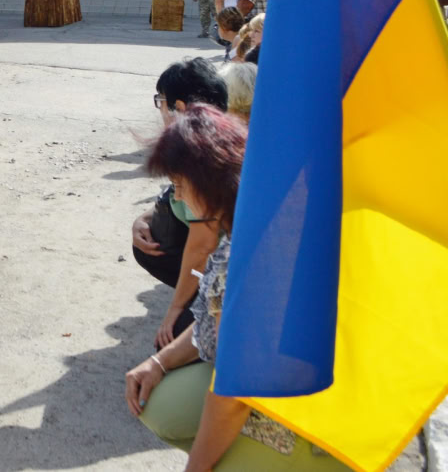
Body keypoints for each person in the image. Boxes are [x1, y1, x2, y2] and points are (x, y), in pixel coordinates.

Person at [126, 106, 346, 470]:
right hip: (306, 388)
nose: (177, 199)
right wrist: (159, 362)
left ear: (207, 179)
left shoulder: (247, 253)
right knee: (160, 399)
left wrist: (196, 468)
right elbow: (220, 319)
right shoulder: (260, 216)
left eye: (180, 186)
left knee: (195, 430)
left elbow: (235, 393)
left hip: (301, 422)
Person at [130, 58, 227, 347]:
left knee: (170, 340)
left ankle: (194, 303)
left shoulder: (199, 154)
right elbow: (177, 200)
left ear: (180, 107)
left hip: (239, 281)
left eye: (161, 100)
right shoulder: (225, 131)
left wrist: (174, 310)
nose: (160, 109)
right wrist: (144, 219)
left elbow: (202, 243)